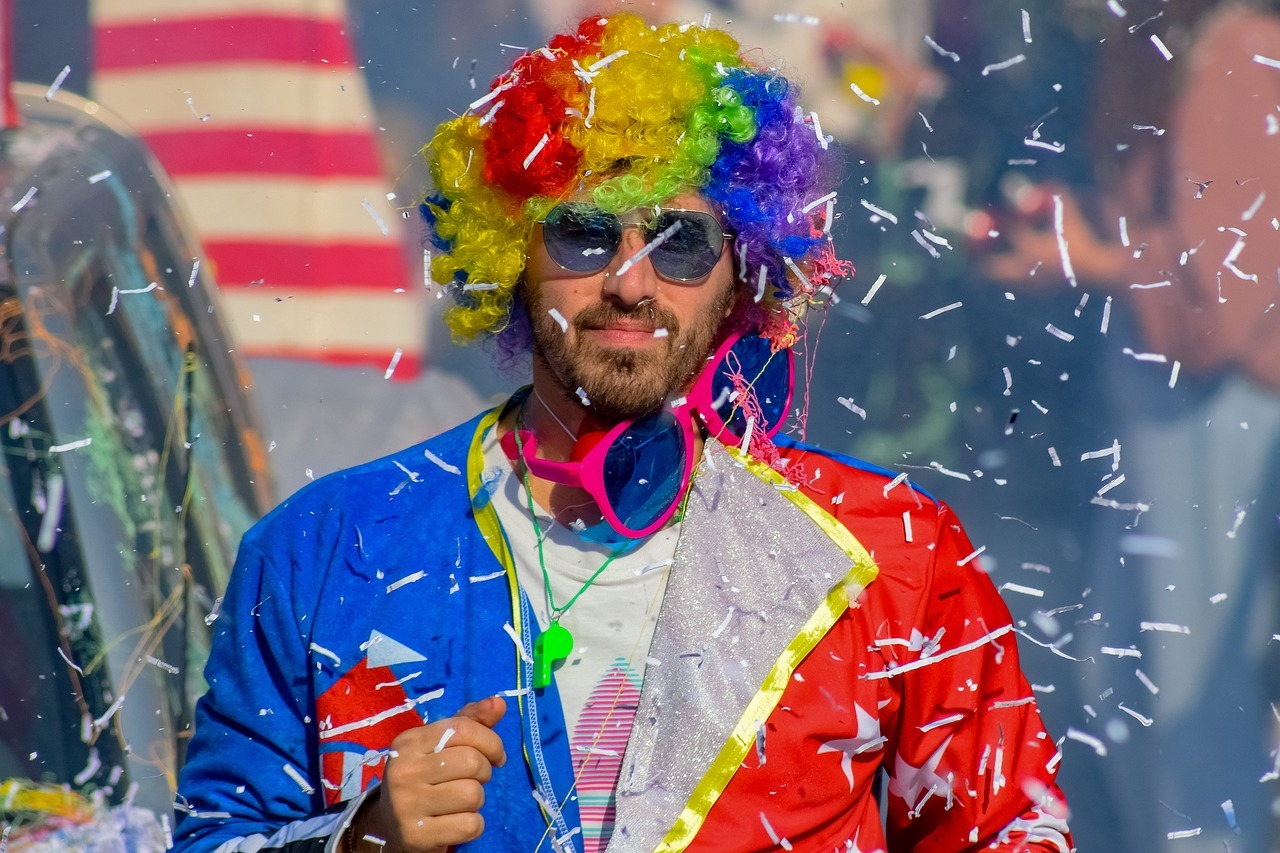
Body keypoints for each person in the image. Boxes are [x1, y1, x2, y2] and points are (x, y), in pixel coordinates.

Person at [171, 14, 1072, 853]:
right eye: (583, 233)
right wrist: (354, 839)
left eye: (680, 241)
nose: (631, 284)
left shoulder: (896, 558)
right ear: (509, 252)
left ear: (742, 269)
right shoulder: (322, 551)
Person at [984, 2, 1280, 849]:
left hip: (1213, 409)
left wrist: (1085, 259)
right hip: (1164, 402)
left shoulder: (1238, 51)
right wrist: (1071, 227)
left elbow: (1223, 302)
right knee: (1117, 677)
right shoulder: (1164, 41)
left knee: (1185, 699)